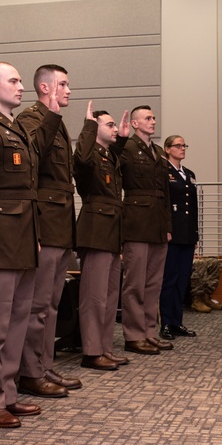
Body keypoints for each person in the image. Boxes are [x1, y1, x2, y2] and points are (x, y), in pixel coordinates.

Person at [0, 62, 58, 429]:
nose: (22, 87)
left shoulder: (16, 124)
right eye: (14, 81)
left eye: (21, 80)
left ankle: (6, 392)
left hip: (22, 229)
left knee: (17, 319)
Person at [15, 65, 82, 398]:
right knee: (37, 305)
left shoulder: (55, 120)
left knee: (52, 305)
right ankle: (29, 372)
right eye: (63, 84)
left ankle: (43, 364)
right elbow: (32, 159)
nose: (69, 90)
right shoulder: (31, 119)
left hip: (61, 225)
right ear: (44, 87)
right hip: (44, 224)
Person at [73, 104, 131, 371]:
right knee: (94, 297)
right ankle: (91, 351)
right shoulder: (89, 155)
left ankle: (104, 348)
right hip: (95, 230)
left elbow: (112, 156)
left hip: (111, 231)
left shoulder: (108, 155)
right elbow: (82, 161)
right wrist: (87, 126)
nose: (115, 129)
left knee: (109, 296)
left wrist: (124, 138)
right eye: (109, 125)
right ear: (95, 129)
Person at [118, 105, 174, 354]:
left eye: (154, 117)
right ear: (135, 124)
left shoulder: (160, 152)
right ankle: (133, 335)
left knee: (154, 283)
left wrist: (168, 227)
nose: (153, 121)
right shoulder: (127, 148)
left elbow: (166, 192)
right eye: (148, 118)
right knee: (135, 283)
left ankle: (149, 331)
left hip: (158, 223)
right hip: (137, 221)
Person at [159, 135, 198, 340]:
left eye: (184, 145)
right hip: (172, 233)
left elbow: (193, 207)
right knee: (169, 279)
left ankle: (177, 322)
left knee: (182, 280)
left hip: (187, 234)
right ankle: (165, 322)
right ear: (167, 149)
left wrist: (196, 233)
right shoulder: (163, 172)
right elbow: (163, 204)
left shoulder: (189, 174)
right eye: (178, 145)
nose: (182, 149)